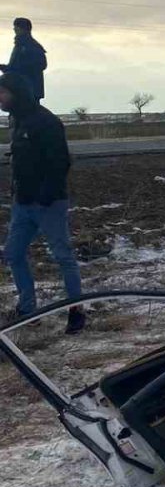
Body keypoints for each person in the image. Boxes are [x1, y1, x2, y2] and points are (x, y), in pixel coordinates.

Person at [0, 72, 85, 331]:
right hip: (22, 204)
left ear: (17, 93)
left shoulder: (46, 122)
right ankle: (28, 311)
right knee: (13, 254)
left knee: (62, 257)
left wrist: (46, 196)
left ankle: (76, 311)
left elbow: (61, 161)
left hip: (48, 204)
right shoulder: (18, 120)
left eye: (2, 92)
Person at [0, 18, 47, 101]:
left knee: (28, 112)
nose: (14, 29)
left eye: (16, 27)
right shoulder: (21, 45)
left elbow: (41, 65)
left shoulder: (30, 45)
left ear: (23, 29)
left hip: (28, 90)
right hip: (21, 89)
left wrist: (13, 70)